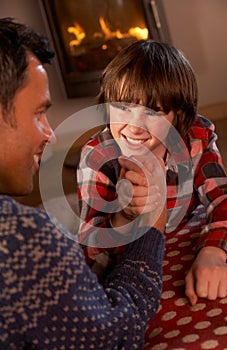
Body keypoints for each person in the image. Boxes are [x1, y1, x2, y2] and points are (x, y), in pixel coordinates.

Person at [0, 18, 165, 349]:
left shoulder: (199, 140)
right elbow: (115, 334)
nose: (49, 133)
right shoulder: (20, 238)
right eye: (38, 114)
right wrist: (152, 224)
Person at [77, 39, 227, 306]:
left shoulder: (196, 137)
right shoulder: (97, 157)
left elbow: (224, 199)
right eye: (123, 107)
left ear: (179, 116)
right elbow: (91, 253)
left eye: (154, 111)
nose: (134, 127)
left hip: (184, 243)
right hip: (131, 264)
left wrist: (213, 253)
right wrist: (124, 215)